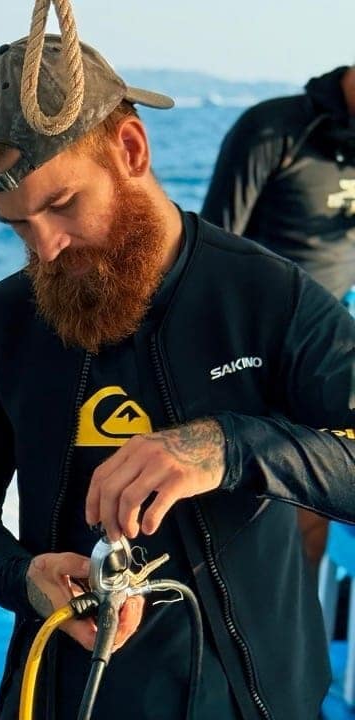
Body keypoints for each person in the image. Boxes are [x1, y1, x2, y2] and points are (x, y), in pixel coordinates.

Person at [0, 34, 355, 720]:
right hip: (66, 695)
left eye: (64, 204)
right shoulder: (1, 322)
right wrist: (23, 575)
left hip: (256, 700)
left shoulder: (267, 298)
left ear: (131, 149)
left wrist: (229, 446)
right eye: (17, 226)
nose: (45, 248)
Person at [202, 64, 355, 567]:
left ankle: (301, 618)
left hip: (332, 350)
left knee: (320, 494)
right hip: (257, 349)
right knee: (253, 503)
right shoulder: (273, 129)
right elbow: (214, 245)